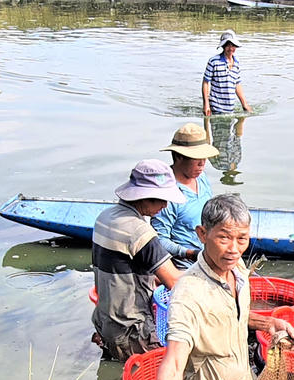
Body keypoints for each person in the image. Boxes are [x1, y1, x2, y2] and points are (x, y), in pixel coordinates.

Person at [138, 194, 294, 380]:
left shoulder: (237, 271)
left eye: (242, 239)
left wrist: (269, 322)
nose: (234, 249)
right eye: (224, 238)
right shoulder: (188, 293)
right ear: (202, 234)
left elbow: (233, 316)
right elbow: (173, 364)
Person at [91, 160, 183, 361]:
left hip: (105, 322)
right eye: (161, 200)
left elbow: (120, 270)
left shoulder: (104, 217)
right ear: (144, 197)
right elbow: (175, 282)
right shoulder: (139, 232)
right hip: (131, 331)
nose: (165, 206)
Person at [152, 123, 219, 269]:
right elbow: (159, 239)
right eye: (196, 158)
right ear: (179, 157)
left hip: (208, 256)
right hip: (184, 266)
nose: (202, 164)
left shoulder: (202, 178)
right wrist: (189, 253)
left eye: (204, 158)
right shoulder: (167, 194)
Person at [202, 30, 252, 116]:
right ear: (223, 46)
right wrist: (206, 104)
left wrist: (244, 104)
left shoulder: (236, 62)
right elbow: (205, 82)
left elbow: (237, 84)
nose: (231, 48)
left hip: (230, 109)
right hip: (215, 109)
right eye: (228, 46)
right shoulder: (214, 61)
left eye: (233, 46)